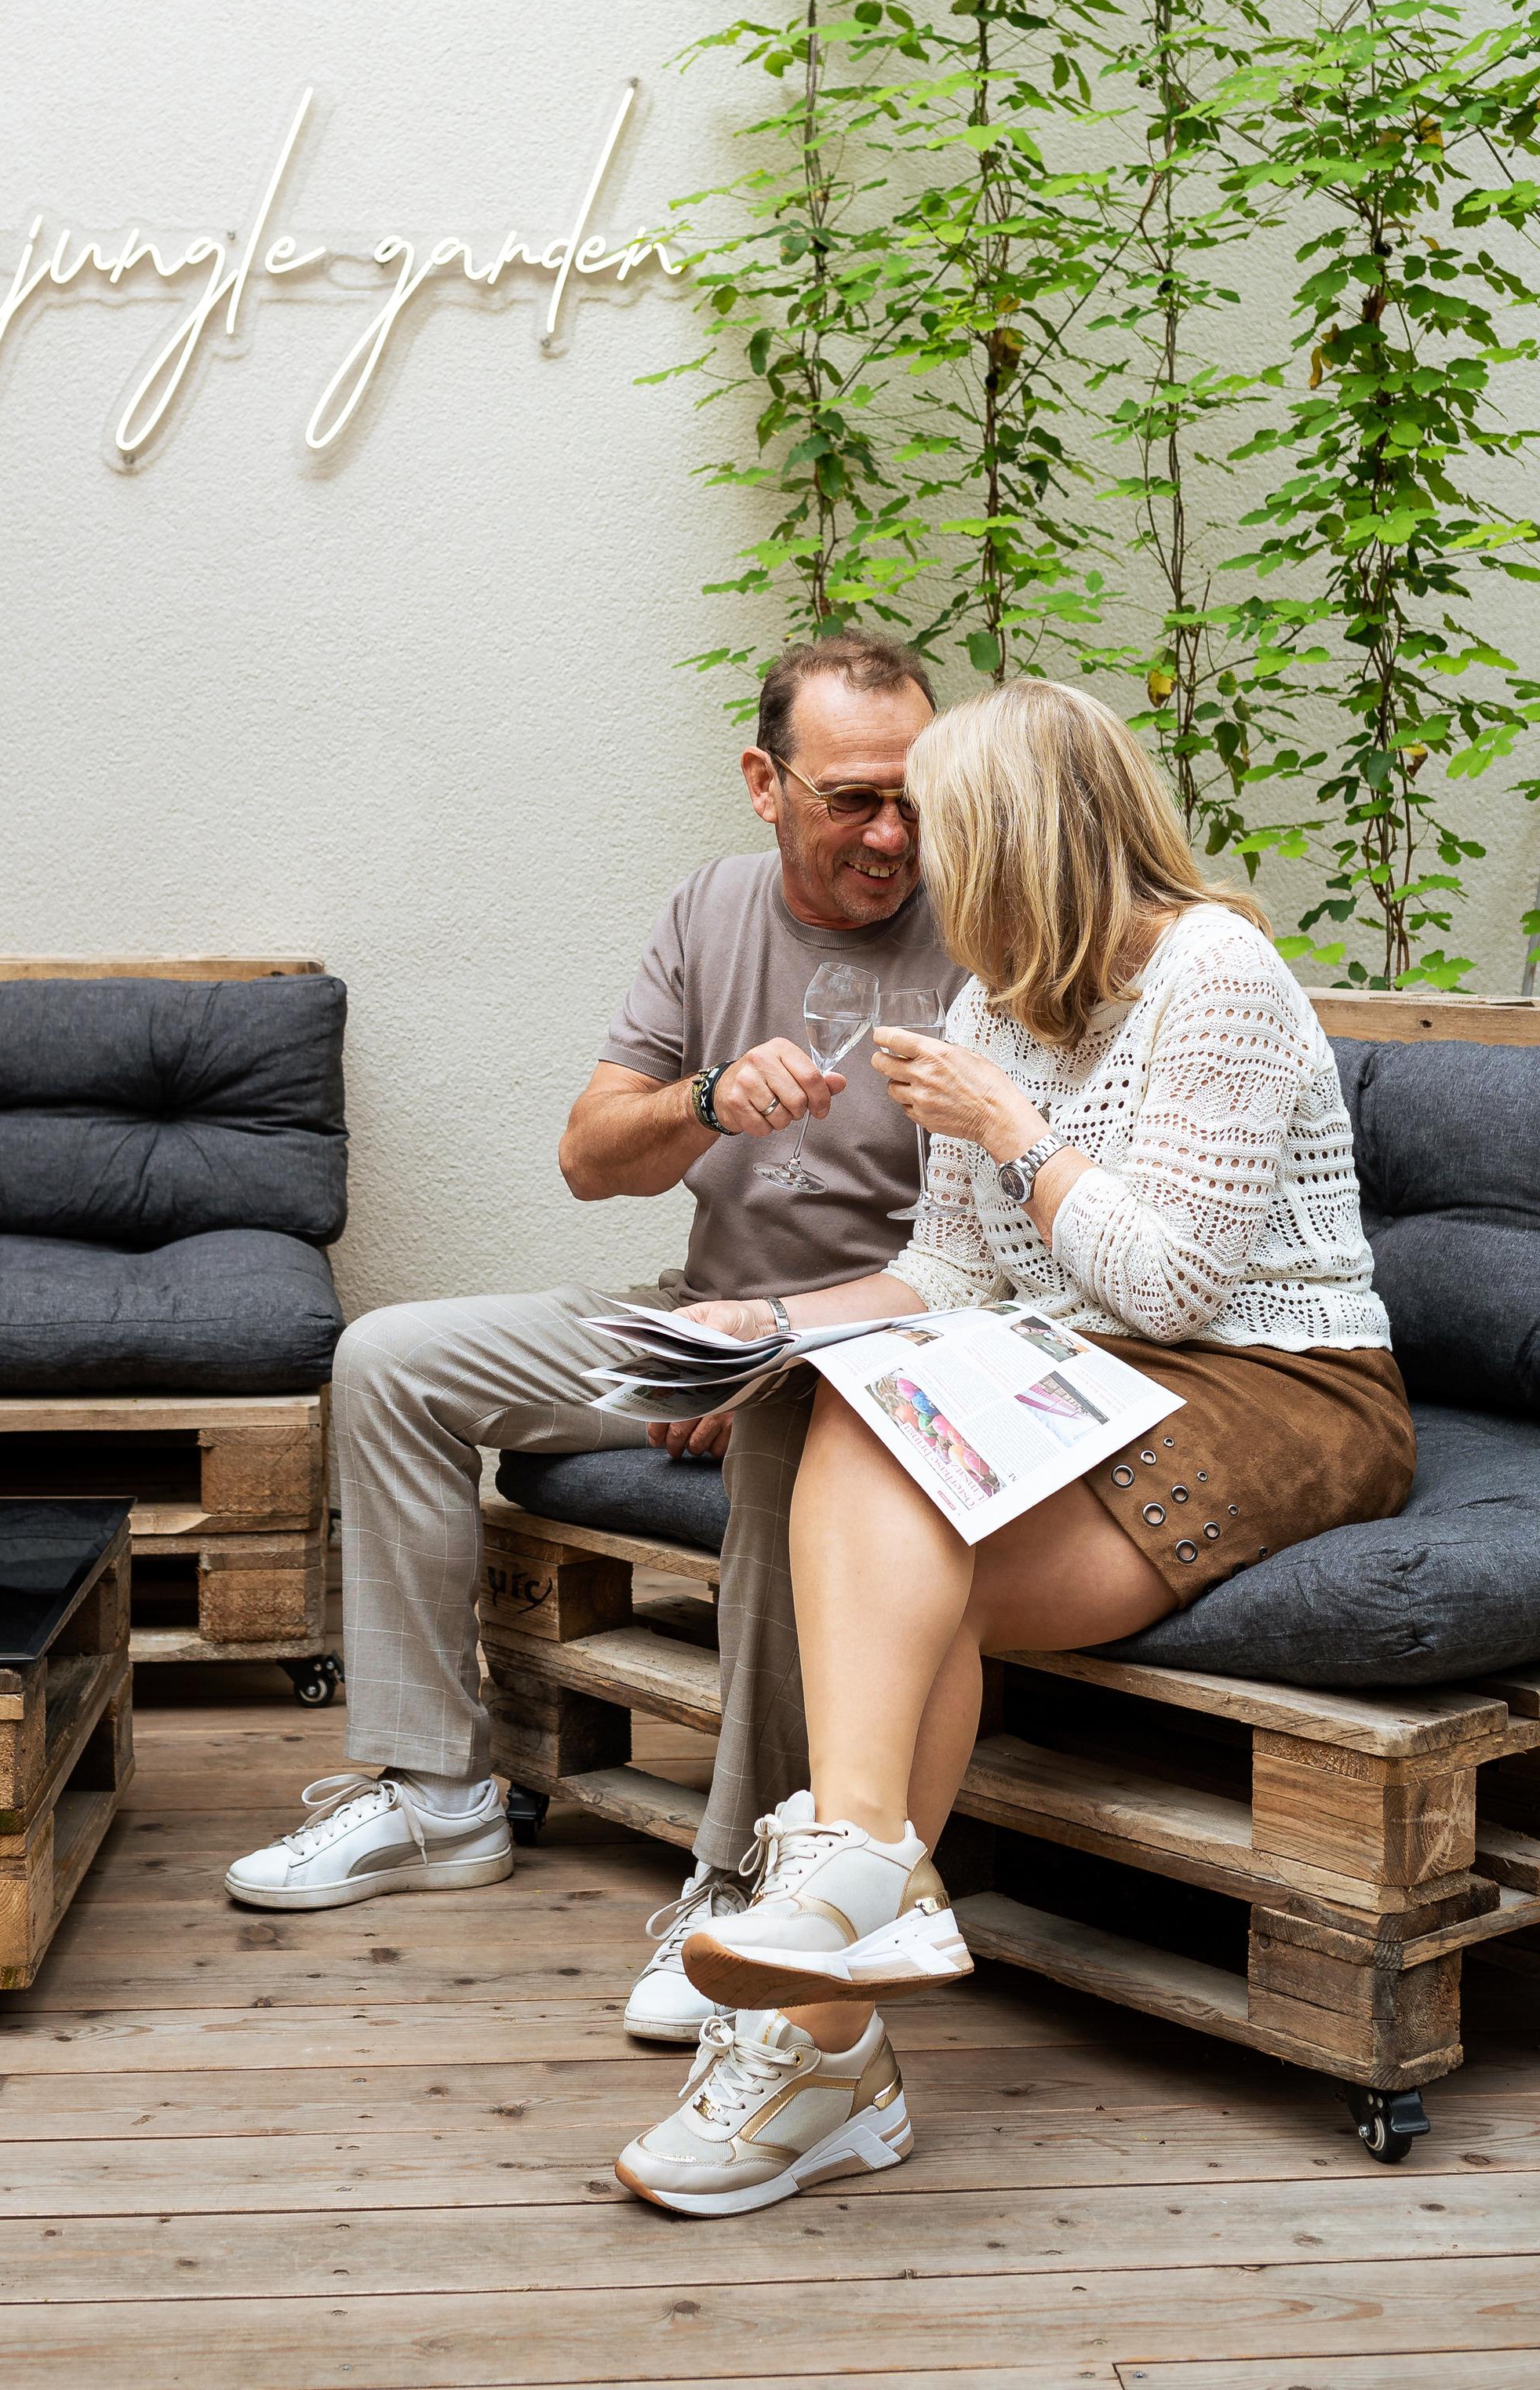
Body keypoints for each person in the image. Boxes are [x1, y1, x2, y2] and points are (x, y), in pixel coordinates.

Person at [616, 677, 1409, 2214]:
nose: (913, 858)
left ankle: (823, 2026)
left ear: (1024, 841)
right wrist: (768, 1321)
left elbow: (1175, 1287)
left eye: (942, 828)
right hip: (1075, 1369)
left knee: (918, 1569)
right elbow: (948, 1278)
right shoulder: (993, 1007)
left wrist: (1011, 1130)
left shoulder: (1216, 975)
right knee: (853, 1400)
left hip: (1276, 1383)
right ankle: (859, 1901)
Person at [225, 631, 956, 2043]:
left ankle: (747, 1882)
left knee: (799, 1434)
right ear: (766, 783)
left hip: (869, 1357)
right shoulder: (711, 909)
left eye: (914, 797)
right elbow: (588, 1158)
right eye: (853, 799)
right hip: (698, 1313)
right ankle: (438, 1794)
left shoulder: (980, 932)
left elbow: (985, 1263)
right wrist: (706, 1101)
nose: (891, 835)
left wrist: (774, 1354)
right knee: (391, 1362)